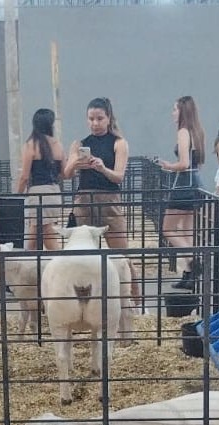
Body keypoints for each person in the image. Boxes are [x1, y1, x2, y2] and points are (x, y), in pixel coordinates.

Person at [63, 97, 138, 298]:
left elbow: (118, 177)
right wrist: (76, 164)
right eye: (91, 119)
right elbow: (66, 174)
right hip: (84, 201)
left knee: (123, 255)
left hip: (109, 201)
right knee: (83, 256)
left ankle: (137, 301)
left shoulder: (119, 143)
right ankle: (85, 299)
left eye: (99, 118)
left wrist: (102, 168)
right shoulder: (79, 144)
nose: (95, 123)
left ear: (108, 118)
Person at [158, 96, 206, 291]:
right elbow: (197, 162)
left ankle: (195, 262)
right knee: (187, 232)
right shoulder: (197, 131)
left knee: (168, 229)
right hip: (195, 182)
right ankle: (189, 275)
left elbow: (184, 163)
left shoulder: (183, 132)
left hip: (183, 184)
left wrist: (169, 165)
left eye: (175, 109)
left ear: (182, 111)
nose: (173, 113)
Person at [16, 108, 65, 251]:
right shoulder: (58, 145)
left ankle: (58, 261)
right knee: (36, 230)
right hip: (55, 191)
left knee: (45, 232)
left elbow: (24, 176)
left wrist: (17, 195)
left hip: (38, 192)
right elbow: (64, 173)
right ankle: (29, 262)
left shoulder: (30, 145)